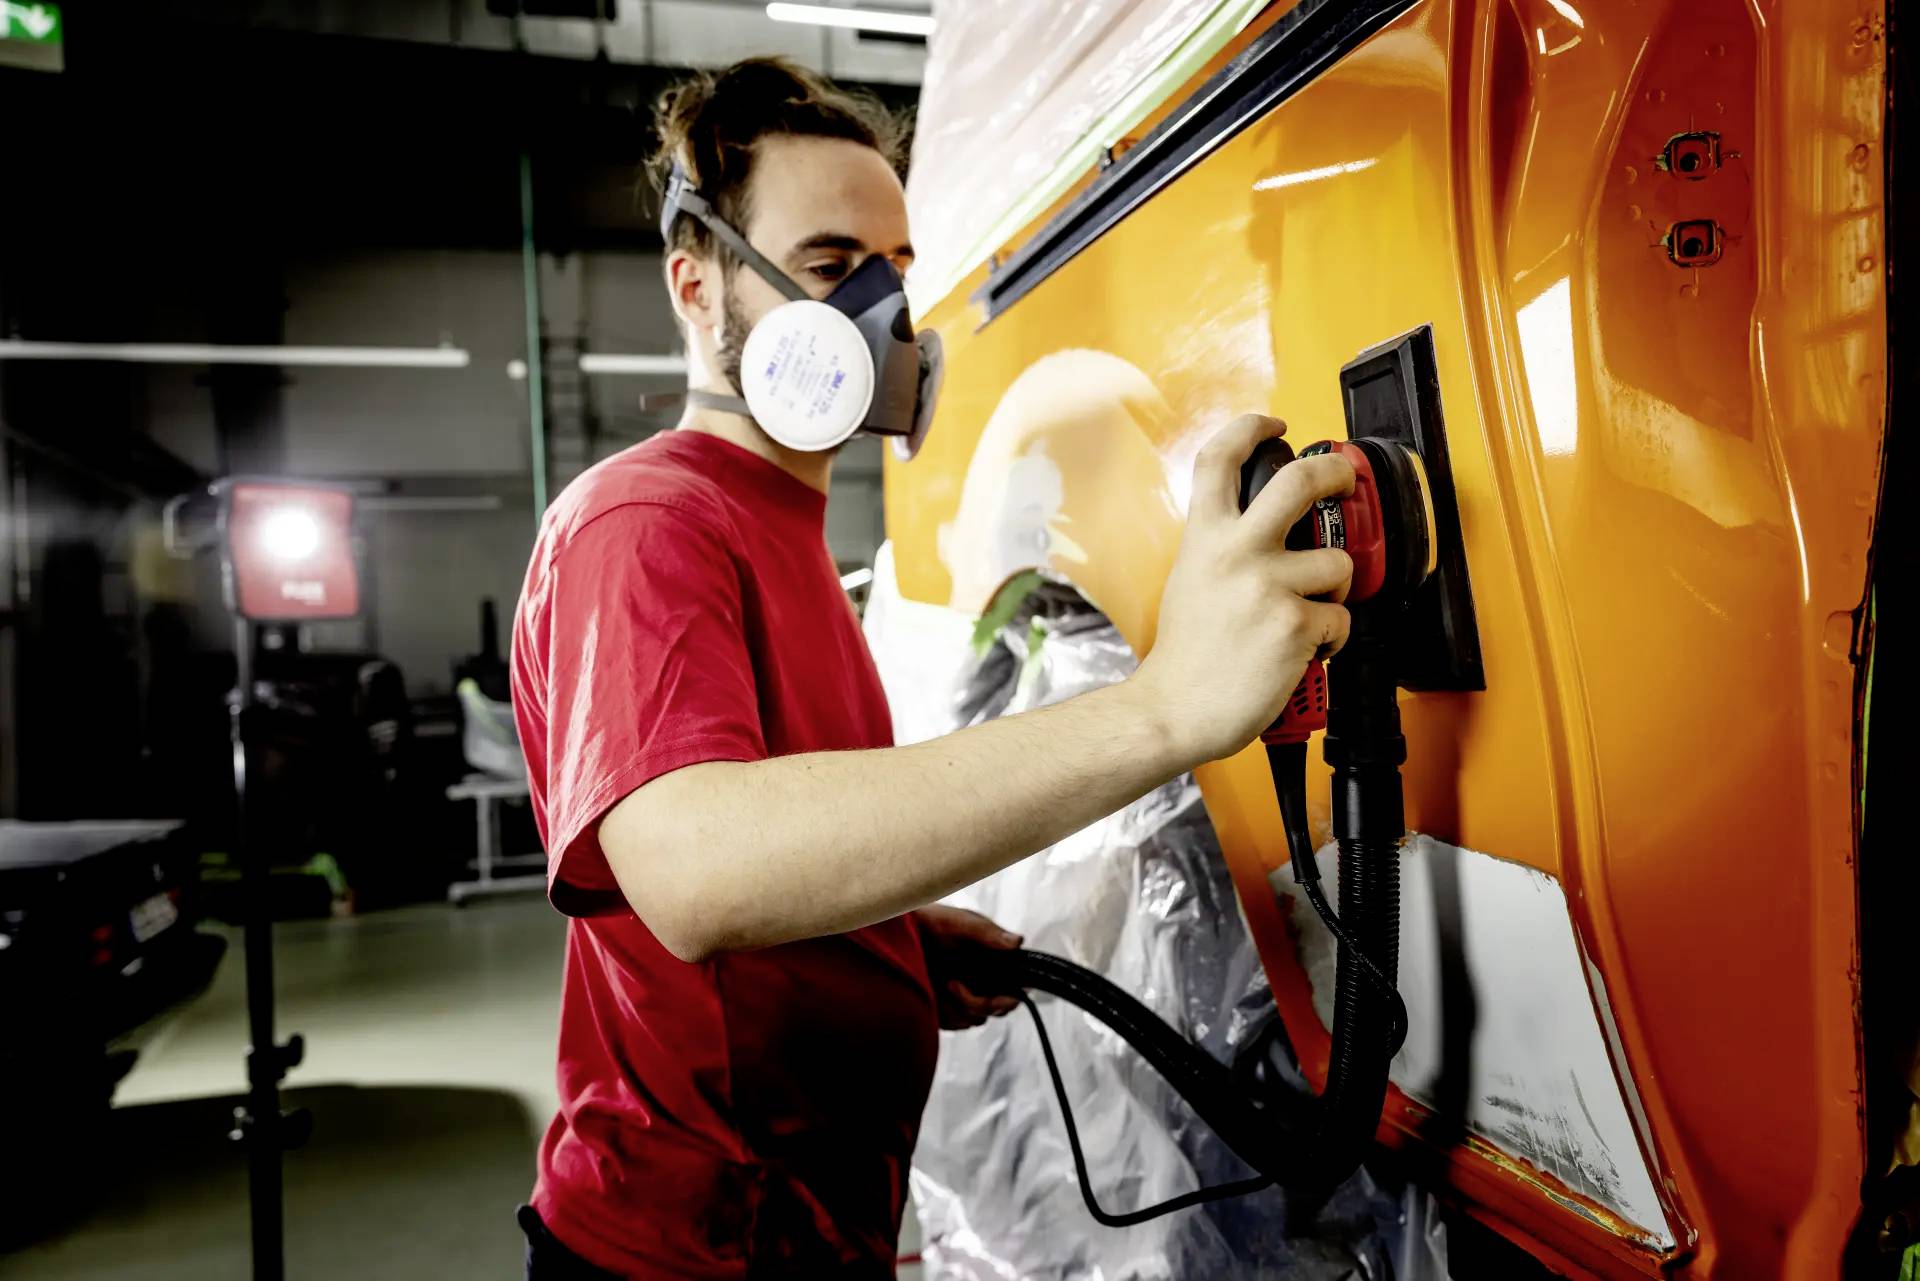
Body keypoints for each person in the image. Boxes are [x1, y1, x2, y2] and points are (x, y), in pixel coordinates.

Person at [509, 56, 1356, 1280]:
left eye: (898, 273)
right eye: (827, 266)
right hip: (687, 1253)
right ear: (698, 287)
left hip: (809, 1236)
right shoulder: (645, 520)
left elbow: (779, 829)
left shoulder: (785, 535)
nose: (882, 316)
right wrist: (1164, 707)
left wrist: (886, 935)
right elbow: (694, 871)